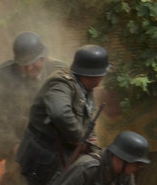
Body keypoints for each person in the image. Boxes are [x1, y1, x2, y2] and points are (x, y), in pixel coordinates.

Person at [16, 44, 111, 185]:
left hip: (56, 155)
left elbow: (87, 122)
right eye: (102, 73)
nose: (104, 77)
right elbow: (59, 113)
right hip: (40, 156)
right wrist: (79, 139)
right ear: (92, 74)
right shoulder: (61, 83)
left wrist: (93, 148)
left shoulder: (85, 88)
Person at [0, 32, 64, 185]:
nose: (29, 67)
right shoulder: (6, 74)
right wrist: (13, 145)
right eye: (24, 64)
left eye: (33, 62)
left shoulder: (59, 72)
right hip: (19, 145)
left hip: (53, 148)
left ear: (43, 57)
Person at [55, 131, 151, 185]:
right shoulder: (87, 168)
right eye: (137, 163)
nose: (139, 168)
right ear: (123, 158)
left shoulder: (125, 175)